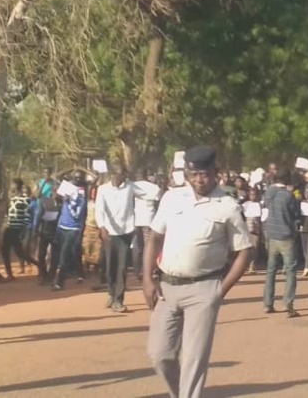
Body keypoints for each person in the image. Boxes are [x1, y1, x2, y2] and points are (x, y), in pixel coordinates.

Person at [143, 145, 252, 398]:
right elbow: (154, 238)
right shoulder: (172, 198)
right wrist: (147, 279)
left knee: (194, 359)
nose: (198, 180)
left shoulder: (227, 206)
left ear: (216, 173)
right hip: (166, 288)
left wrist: (220, 291)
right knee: (160, 355)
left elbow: (244, 252)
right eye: (193, 175)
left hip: (204, 289)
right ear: (186, 174)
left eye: (204, 174)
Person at [96, 164, 160, 313]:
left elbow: (150, 193)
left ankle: (119, 299)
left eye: (124, 175)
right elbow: (100, 209)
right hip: (109, 232)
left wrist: (160, 189)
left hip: (126, 231)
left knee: (122, 267)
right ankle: (111, 294)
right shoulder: (103, 189)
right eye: (119, 174)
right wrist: (102, 227)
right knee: (109, 266)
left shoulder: (130, 187)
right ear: (112, 175)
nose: (122, 178)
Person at [262, 168, 302, 317]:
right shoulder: (288, 195)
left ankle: (268, 303)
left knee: (271, 270)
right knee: (290, 271)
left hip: (272, 235)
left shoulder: (268, 193)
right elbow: (295, 214)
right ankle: (288, 304)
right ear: (287, 180)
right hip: (286, 235)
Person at [53, 171, 88, 291]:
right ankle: (59, 277)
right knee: (59, 254)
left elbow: (76, 215)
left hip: (72, 229)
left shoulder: (81, 200)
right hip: (61, 227)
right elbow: (57, 179)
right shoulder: (65, 198)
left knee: (64, 255)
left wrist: (68, 202)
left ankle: (59, 282)